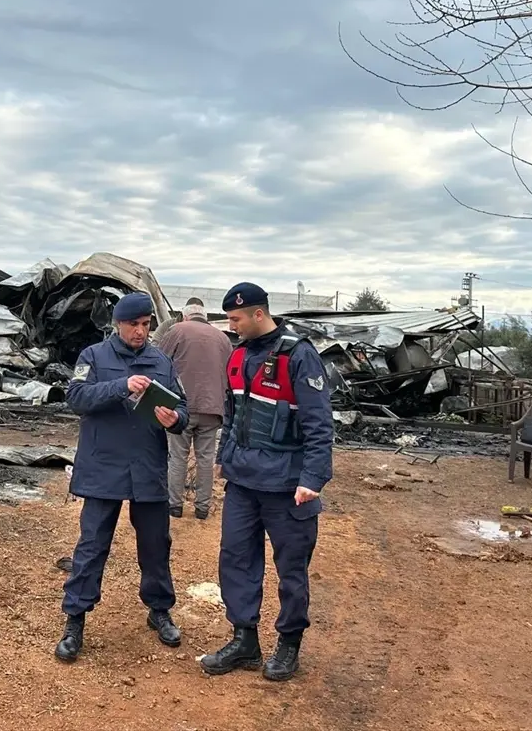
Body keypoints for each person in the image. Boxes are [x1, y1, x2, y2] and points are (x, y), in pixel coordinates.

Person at [199, 282, 333, 683]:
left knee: (291, 568)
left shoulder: (299, 355)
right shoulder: (237, 355)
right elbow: (232, 411)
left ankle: (289, 644)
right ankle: (245, 640)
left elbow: (318, 423)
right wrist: (224, 459)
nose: (231, 325)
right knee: (236, 560)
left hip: (288, 486)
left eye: (236, 318)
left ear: (259, 314)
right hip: (242, 482)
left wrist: (313, 478)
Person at [55, 291, 189, 663]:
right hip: (103, 468)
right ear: (118, 324)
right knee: (92, 545)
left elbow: (183, 408)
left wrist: (175, 420)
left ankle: (159, 610)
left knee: (155, 545)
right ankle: (75, 620)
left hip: (147, 468)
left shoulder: (161, 361)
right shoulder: (94, 357)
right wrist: (121, 385)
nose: (141, 332)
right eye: (134, 325)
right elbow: (76, 396)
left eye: (146, 325)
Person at [158, 299, 233, 519]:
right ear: (205, 317)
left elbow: (159, 361)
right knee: (205, 459)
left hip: (182, 409)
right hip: (213, 408)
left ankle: (174, 505)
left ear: (185, 316)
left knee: (178, 457)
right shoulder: (223, 338)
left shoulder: (177, 330)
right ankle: (202, 508)